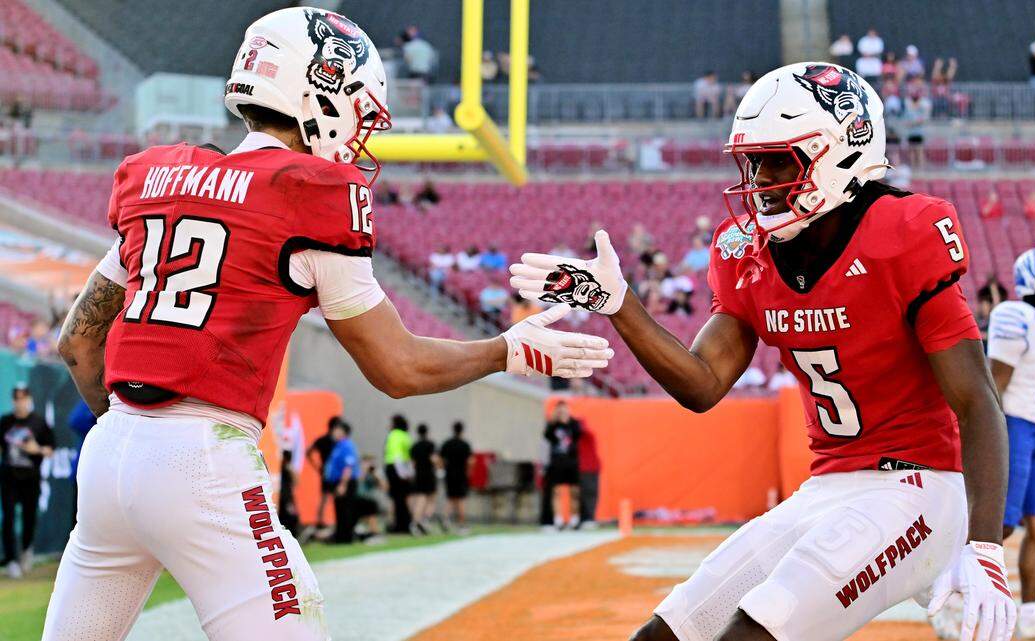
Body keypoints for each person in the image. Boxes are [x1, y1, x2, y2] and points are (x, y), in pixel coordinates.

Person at [44, 8, 612, 640]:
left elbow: (78, 340)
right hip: (204, 455)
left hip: (107, 451)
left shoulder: (158, 178)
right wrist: (505, 350)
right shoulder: (311, 191)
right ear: (321, 91)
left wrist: (137, 441)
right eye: (360, 111)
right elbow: (398, 368)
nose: (361, 135)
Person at [511, 62, 1015, 641]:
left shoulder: (903, 232)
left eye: (780, 160)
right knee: (668, 633)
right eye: (753, 161)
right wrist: (619, 302)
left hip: (919, 490)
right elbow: (702, 384)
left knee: (752, 634)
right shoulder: (748, 253)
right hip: (826, 487)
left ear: (840, 152)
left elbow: (978, 401)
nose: (761, 178)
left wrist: (984, 546)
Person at [943, 247, 1035, 640]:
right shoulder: (1015, 315)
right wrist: (988, 437)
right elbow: (995, 382)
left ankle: (1032, 616)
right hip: (1013, 424)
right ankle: (950, 601)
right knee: (999, 524)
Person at [1, 384, 55, 579]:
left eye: (24, 399)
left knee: (29, 517)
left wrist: (37, 450)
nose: (20, 402)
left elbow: (50, 449)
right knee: (8, 518)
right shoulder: (5, 422)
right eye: (17, 399)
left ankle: (26, 551)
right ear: (13, 400)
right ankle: (11, 560)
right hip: (9, 478)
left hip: (31, 479)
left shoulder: (39, 422)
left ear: (29, 400)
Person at [540, 400, 581, 529]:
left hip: (571, 462)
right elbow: (546, 435)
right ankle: (558, 520)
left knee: (574, 491)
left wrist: (567, 420)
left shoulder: (574, 424)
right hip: (557, 462)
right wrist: (554, 420)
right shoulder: (552, 425)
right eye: (560, 410)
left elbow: (578, 434)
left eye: (564, 409)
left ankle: (575, 519)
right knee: (556, 491)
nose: (563, 412)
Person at [324, 420, 361, 543]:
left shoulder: (346, 445)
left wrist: (342, 484)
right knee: (339, 509)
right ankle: (340, 536)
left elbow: (348, 466)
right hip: (338, 482)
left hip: (345, 482)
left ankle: (346, 537)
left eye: (337, 430)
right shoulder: (338, 445)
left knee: (345, 510)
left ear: (343, 432)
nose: (334, 432)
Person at [306, 416, 341, 530]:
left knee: (329, 497)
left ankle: (328, 522)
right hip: (329, 472)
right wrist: (317, 466)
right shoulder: (329, 440)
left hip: (332, 472)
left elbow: (308, 451)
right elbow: (308, 451)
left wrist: (317, 466)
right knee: (327, 497)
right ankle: (320, 522)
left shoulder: (333, 440)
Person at [440, 421, 473, 533]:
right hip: (461, 474)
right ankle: (462, 524)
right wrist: (468, 472)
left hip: (449, 474)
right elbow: (470, 461)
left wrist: (443, 468)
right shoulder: (465, 445)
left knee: (451, 498)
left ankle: (445, 518)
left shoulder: (447, 444)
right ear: (462, 430)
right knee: (461, 500)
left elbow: (439, 458)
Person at [385, 415, 414, 534]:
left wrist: (401, 473)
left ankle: (400, 526)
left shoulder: (394, 434)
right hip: (404, 469)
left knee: (397, 499)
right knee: (403, 498)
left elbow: (396, 455)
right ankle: (405, 524)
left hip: (395, 468)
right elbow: (408, 457)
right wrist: (408, 472)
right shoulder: (406, 436)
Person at [408, 423, 439, 535]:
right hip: (429, 474)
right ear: (427, 432)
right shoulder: (430, 445)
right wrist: (438, 467)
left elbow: (412, 463)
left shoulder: (414, 446)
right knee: (431, 499)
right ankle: (424, 520)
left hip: (418, 475)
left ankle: (416, 522)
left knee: (420, 498)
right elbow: (434, 460)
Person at [577, 421, 601, 529]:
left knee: (590, 494)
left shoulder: (586, 435)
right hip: (583, 469)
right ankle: (585, 518)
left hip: (590, 468)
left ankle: (589, 518)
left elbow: (585, 431)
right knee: (585, 494)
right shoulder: (576, 439)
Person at [279, 450, 300, 536]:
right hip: (279, 498)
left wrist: (289, 467)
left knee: (292, 518)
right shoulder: (275, 468)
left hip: (287, 498)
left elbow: (296, 482)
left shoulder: (287, 469)